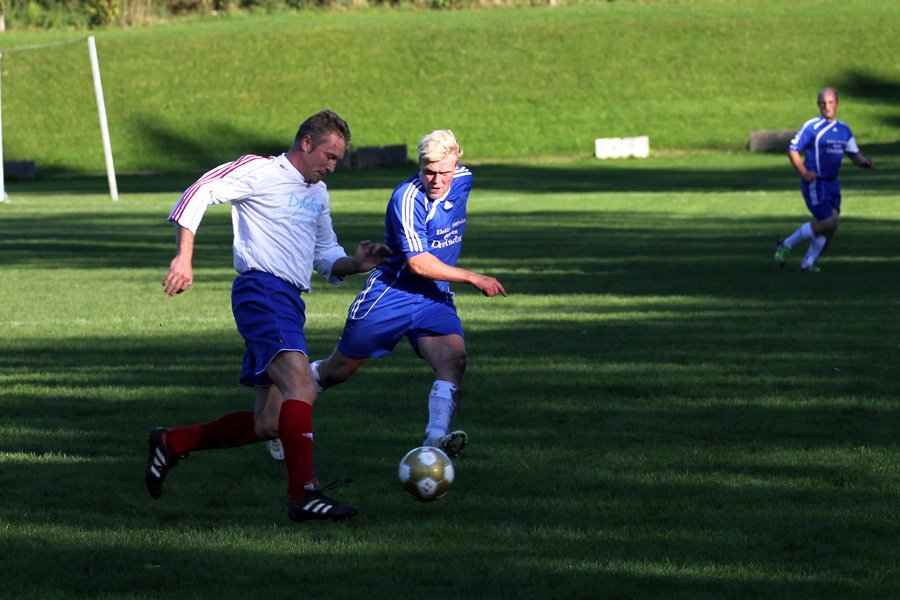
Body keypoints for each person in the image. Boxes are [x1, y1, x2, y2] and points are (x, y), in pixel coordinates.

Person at [145, 109, 391, 523]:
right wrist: (183, 257)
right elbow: (199, 191)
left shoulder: (318, 194)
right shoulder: (260, 171)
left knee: (270, 423)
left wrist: (356, 263)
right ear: (306, 143)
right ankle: (304, 494)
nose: (332, 167)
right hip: (261, 292)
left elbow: (325, 255)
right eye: (329, 156)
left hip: (289, 301)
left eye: (338, 160)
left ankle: (171, 442)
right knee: (301, 385)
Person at [267, 129, 506, 463]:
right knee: (338, 370)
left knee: (453, 360)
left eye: (445, 171)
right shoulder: (406, 198)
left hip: (433, 295)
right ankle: (281, 410)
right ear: (420, 166)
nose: (437, 180)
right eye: (429, 171)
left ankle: (435, 441)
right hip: (392, 295)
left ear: (457, 165)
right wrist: (473, 276)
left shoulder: (464, 179)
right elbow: (419, 263)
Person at [775, 88, 875, 272]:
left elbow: (854, 154)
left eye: (830, 102)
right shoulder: (812, 127)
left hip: (832, 183)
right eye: (823, 103)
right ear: (818, 105)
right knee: (828, 222)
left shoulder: (844, 130)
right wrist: (804, 172)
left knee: (832, 225)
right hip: (816, 183)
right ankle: (786, 244)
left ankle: (808, 264)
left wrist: (864, 163)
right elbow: (793, 149)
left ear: (837, 104)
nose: (827, 106)